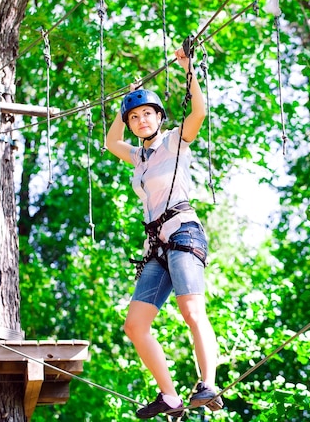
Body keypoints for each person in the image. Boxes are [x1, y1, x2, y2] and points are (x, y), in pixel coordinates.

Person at [106, 47, 223, 419]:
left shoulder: (174, 141)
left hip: (184, 232)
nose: (141, 121)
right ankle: (170, 396)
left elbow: (199, 112)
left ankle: (208, 384)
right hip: (156, 245)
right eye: (135, 117)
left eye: (147, 114)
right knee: (134, 325)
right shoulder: (139, 157)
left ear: (159, 117)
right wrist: (120, 107)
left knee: (191, 309)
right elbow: (110, 143)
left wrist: (189, 70)